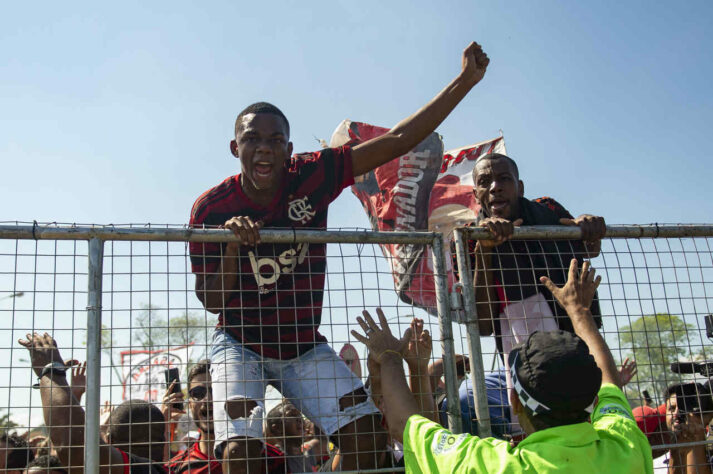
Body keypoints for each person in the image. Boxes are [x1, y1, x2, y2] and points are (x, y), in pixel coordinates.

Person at [189, 41, 491, 473]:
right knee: (240, 452)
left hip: (300, 345)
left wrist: (464, 81)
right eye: (252, 139)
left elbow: (399, 140)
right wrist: (234, 246)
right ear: (234, 147)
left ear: (289, 150)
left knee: (369, 435)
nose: (264, 149)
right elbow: (213, 302)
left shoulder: (312, 173)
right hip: (240, 343)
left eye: (276, 141)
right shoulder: (210, 210)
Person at [352, 259, 653, 473]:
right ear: (595, 401)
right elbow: (610, 383)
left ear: (514, 402)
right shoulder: (624, 444)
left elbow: (406, 425)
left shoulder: (493, 466)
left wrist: (389, 357)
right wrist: (580, 311)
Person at [19, 332, 167, 474]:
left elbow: (72, 446)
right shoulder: (181, 468)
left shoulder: (121, 468)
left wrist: (51, 370)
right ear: (164, 441)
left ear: (108, 440)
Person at [166, 360, 286, 474]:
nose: (208, 399)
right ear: (189, 403)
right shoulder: (177, 467)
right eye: (198, 393)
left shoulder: (271, 460)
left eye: (215, 391)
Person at [662, 382, 713, 474]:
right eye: (672, 409)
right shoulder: (663, 457)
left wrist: (697, 434)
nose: (677, 414)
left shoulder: (709, 445)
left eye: (683, 408)